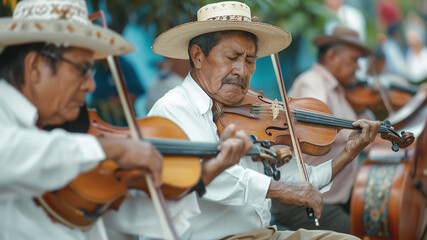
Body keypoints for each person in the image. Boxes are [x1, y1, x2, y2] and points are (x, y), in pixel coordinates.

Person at [0, 0, 251, 239]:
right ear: (34, 67)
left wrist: (207, 172)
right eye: (82, 70)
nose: (90, 85)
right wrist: (107, 149)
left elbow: (131, 213)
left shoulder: (57, 136)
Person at [136, 2, 380, 239]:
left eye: (250, 61)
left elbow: (301, 180)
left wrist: (348, 153)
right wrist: (279, 189)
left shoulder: (249, 111)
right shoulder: (173, 109)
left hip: (265, 233)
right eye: (231, 57)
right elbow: (208, 176)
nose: (242, 71)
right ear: (198, 57)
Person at [272, 26, 374, 234]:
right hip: (302, 198)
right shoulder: (313, 83)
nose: (357, 67)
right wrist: (360, 133)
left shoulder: (343, 90)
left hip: (336, 196)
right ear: (332, 55)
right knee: (359, 234)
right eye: (353, 59)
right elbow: (320, 127)